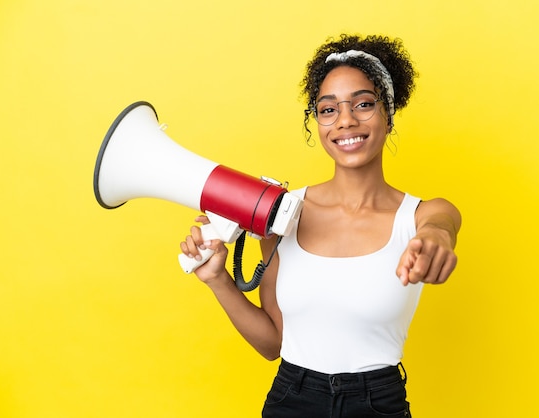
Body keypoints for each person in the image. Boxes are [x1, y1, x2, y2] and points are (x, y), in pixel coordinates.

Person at [180, 34, 461, 418]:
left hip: (377, 403)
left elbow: (442, 223)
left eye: (363, 104)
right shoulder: (281, 213)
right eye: (328, 110)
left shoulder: (418, 216)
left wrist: (434, 238)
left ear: (389, 114)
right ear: (317, 121)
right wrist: (217, 279)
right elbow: (272, 344)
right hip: (291, 398)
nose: (346, 120)